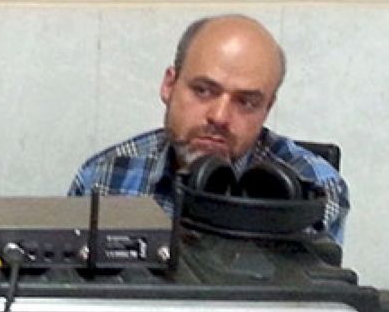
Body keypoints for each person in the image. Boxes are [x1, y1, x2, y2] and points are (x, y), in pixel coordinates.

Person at [69, 14, 349, 244]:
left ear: (267, 108)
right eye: (203, 90)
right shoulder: (105, 176)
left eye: (246, 102)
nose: (220, 116)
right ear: (169, 85)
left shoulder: (315, 188)